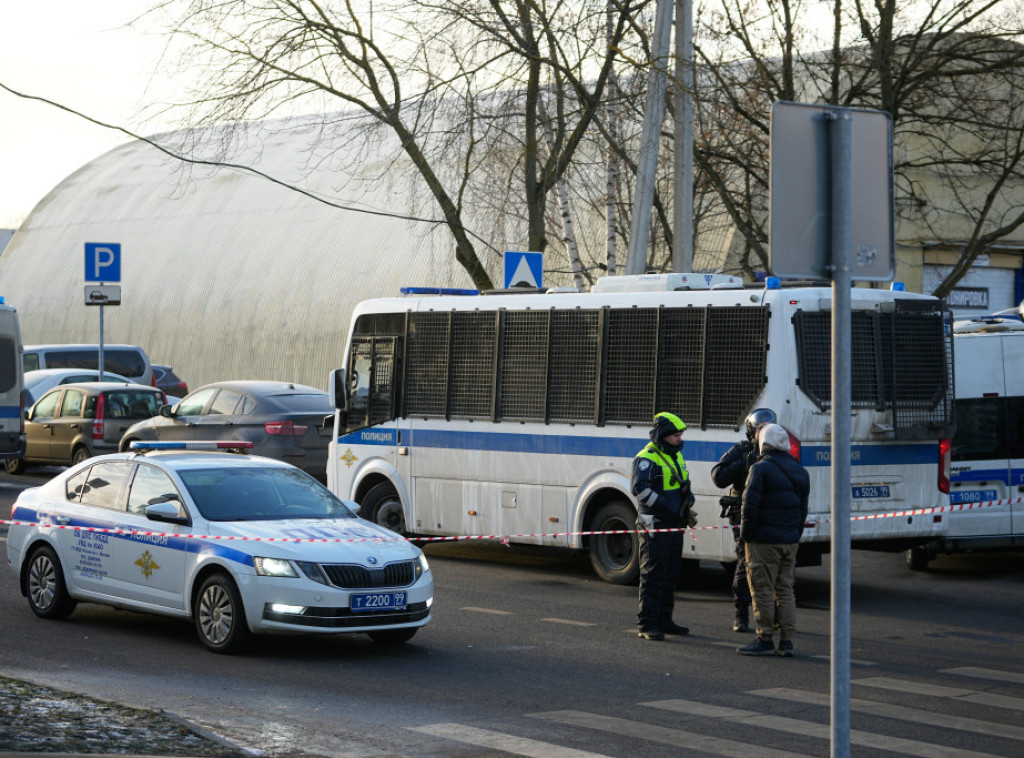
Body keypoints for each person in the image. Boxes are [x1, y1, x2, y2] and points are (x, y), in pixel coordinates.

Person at [736, 423, 809, 657]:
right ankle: (786, 641)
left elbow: (750, 507)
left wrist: (746, 537)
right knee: (786, 590)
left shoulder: (760, 469)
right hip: (789, 540)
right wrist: (794, 535)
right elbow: (802, 511)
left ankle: (764, 638)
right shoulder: (800, 471)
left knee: (763, 590)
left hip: (763, 541)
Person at [711, 408, 777, 634]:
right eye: (761, 428)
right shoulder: (742, 450)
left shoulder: (777, 451)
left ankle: (774, 614)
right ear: (752, 430)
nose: (764, 432)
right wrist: (743, 462)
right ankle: (741, 612)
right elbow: (718, 476)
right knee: (745, 561)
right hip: (743, 514)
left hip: (769, 514)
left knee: (770, 563)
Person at [632, 411, 695, 641]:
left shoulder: (676, 455)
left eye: (680, 435)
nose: (680, 439)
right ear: (662, 435)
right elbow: (639, 489)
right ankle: (647, 625)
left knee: (670, 573)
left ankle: (665, 621)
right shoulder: (647, 457)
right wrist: (665, 505)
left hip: (674, 524)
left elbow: (681, 481)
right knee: (653, 575)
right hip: (654, 525)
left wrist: (687, 499)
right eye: (675, 435)